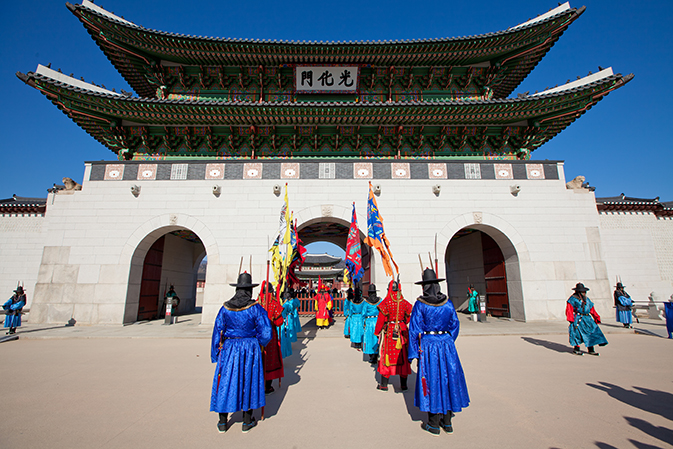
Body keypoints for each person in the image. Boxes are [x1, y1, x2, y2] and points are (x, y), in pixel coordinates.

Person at [409, 269, 470, 436]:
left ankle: (433, 423)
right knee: (448, 378)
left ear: (424, 287)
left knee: (431, 381)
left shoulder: (420, 304)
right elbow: (455, 325)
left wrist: (414, 352)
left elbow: (414, 329)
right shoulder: (448, 303)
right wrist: (448, 340)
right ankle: (447, 421)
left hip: (428, 346)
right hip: (446, 345)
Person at [210, 272, 272, 433]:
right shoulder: (255, 308)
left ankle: (222, 421)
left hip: (229, 347)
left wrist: (216, 352)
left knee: (226, 381)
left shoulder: (225, 308)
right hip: (250, 346)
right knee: (248, 381)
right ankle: (246, 420)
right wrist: (259, 343)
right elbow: (266, 332)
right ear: (249, 290)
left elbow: (217, 331)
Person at [375, 280, 412, 391]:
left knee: (387, 355)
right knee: (403, 356)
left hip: (390, 331)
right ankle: (403, 384)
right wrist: (403, 323)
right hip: (402, 331)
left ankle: (384, 385)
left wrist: (377, 332)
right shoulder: (404, 302)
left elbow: (381, 320)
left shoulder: (386, 302)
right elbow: (409, 316)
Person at [566, 283, 608, 356]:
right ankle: (576, 349)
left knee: (591, 333)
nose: (584, 293)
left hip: (587, 319)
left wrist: (596, 317)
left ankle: (591, 349)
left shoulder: (587, 299)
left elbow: (592, 309)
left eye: (584, 291)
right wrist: (571, 319)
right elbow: (569, 309)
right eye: (582, 291)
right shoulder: (572, 299)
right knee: (577, 334)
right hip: (578, 318)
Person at [258, 282, 284, 394]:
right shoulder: (273, 303)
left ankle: (258, 385)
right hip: (270, 337)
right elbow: (279, 322)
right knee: (270, 360)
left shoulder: (256, 303)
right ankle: (267, 386)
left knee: (259, 360)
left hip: (257, 337)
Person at [362, 284, 381, 364]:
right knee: (377, 338)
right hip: (377, 320)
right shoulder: (380, 300)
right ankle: (376, 354)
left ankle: (371, 356)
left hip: (369, 321)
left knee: (369, 338)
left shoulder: (366, 302)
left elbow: (363, 313)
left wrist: (364, 322)